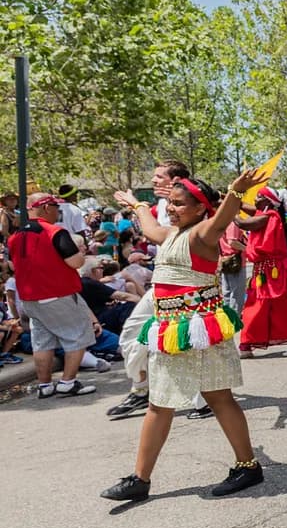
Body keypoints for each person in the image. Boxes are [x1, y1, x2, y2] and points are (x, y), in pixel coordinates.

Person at [101, 170, 271, 501]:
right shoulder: (172, 235)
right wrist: (137, 204)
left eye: (179, 203)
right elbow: (149, 229)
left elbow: (222, 221)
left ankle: (248, 466)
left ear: (199, 208)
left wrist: (235, 192)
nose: (171, 208)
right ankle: (140, 478)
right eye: (169, 202)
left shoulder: (204, 235)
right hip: (170, 332)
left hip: (200, 330)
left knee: (219, 397)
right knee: (158, 403)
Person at [107, 159, 191, 420]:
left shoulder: (193, 203)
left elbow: (164, 235)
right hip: (162, 280)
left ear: (175, 181)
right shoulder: (162, 206)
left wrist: (138, 206)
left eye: (158, 177)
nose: (153, 181)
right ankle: (141, 390)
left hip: (185, 283)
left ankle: (205, 398)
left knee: (186, 342)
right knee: (133, 334)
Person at [7, 193, 99, 399]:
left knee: (42, 342)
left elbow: (12, 265)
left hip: (30, 298)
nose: (58, 211)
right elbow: (76, 262)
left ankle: (45, 385)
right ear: (45, 207)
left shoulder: (15, 236)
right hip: (57, 294)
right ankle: (67, 382)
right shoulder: (54, 231)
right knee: (78, 337)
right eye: (55, 207)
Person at [235, 188, 287, 358]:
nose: (255, 198)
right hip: (263, 270)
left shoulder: (270, 216)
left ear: (268, 200)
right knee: (254, 306)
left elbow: (243, 223)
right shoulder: (263, 213)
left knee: (277, 309)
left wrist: (229, 212)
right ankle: (246, 345)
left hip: (275, 271)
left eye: (259, 196)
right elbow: (246, 207)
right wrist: (231, 197)